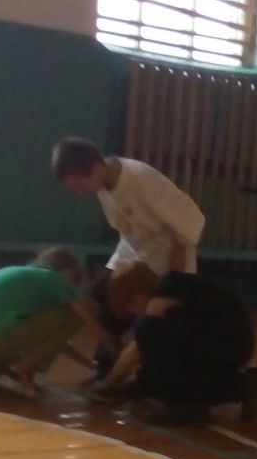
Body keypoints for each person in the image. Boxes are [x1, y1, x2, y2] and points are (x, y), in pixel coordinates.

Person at [51, 136, 205, 377]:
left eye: (80, 185)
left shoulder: (142, 179)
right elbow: (128, 233)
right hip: (134, 255)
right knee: (99, 300)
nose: (80, 193)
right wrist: (117, 269)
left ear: (95, 166)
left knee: (151, 320)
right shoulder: (104, 185)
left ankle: (145, 374)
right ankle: (107, 366)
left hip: (164, 260)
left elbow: (190, 220)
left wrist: (173, 278)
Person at [86, 263, 257, 426]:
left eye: (131, 308)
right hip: (224, 343)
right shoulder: (172, 285)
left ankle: (188, 405)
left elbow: (138, 347)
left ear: (136, 297)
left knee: (147, 328)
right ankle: (243, 386)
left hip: (227, 346)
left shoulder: (164, 293)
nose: (134, 313)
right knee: (157, 357)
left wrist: (107, 383)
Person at [0, 247, 114, 399]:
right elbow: (89, 321)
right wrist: (115, 353)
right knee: (81, 309)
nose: (75, 284)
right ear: (67, 268)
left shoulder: (22, 276)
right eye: (76, 276)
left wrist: (88, 364)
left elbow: (52, 340)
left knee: (18, 336)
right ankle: (26, 369)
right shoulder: (53, 279)